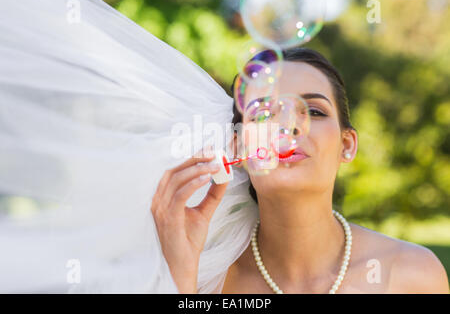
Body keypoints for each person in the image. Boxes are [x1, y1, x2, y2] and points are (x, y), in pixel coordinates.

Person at [152, 48, 450, 294]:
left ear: (346, 145)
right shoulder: (209, 280)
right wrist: (181, 276)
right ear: (238, 148)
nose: (288, 127)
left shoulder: (413, 275)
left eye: (315, 111)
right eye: (264, 114)